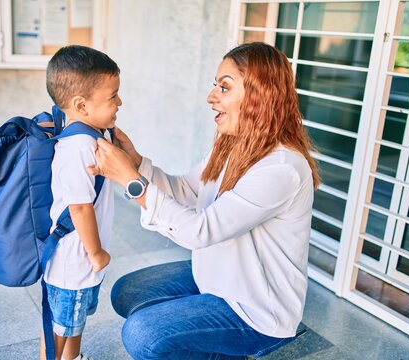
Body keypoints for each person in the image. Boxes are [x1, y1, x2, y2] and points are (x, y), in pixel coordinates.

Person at [87, 42, 320, 359]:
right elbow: (188, 192)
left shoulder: (280, 168)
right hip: (217, 277)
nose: (212, 97)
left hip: (255, 310)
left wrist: (132, 182)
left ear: (259, 95)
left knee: (143, 333)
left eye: (224, 87)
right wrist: (137, 163)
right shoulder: (232, 144)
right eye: (215, 86)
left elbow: (200, 230)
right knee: (127, 292)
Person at [41, 45, 122, 360]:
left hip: (80, 263)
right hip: (74, 262)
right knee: (60, 327)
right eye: (112, 96)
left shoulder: (92, 135)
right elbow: (79, 207)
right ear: (81, 105)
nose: (119, 102)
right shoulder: (78, 148)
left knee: (72, 325)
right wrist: (96, 251)